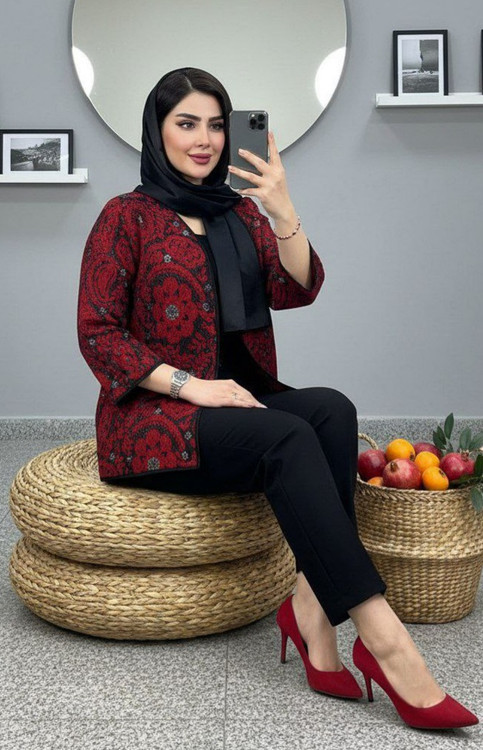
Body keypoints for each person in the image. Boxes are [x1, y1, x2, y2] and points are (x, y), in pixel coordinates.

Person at [77, 68, 478, 730]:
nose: (204, 140)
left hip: (239, 400)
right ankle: (386, 643)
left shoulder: (238, 213)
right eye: (186, 123)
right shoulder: (127, 217)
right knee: (288, 436)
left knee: (330, 410)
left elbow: (296, 288)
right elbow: (98, 333)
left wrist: (282, 207)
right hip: (153, 420)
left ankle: (309, 609)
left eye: (216, 125)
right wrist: (191, 385)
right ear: (156, 131)